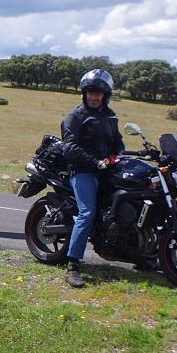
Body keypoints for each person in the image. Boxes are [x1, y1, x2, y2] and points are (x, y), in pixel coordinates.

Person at [59, 69, 125, 288]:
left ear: (105, 96)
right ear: (84, 93)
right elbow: (69, 148)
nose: (94, 97)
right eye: (91, 93)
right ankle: (73, 266)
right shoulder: (75, 116)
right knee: (87, 213)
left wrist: (118, 156)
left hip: (105, 170)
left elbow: (117, 143)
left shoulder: (110, 116)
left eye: (99, 93)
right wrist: (96, 162)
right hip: (82, 170)